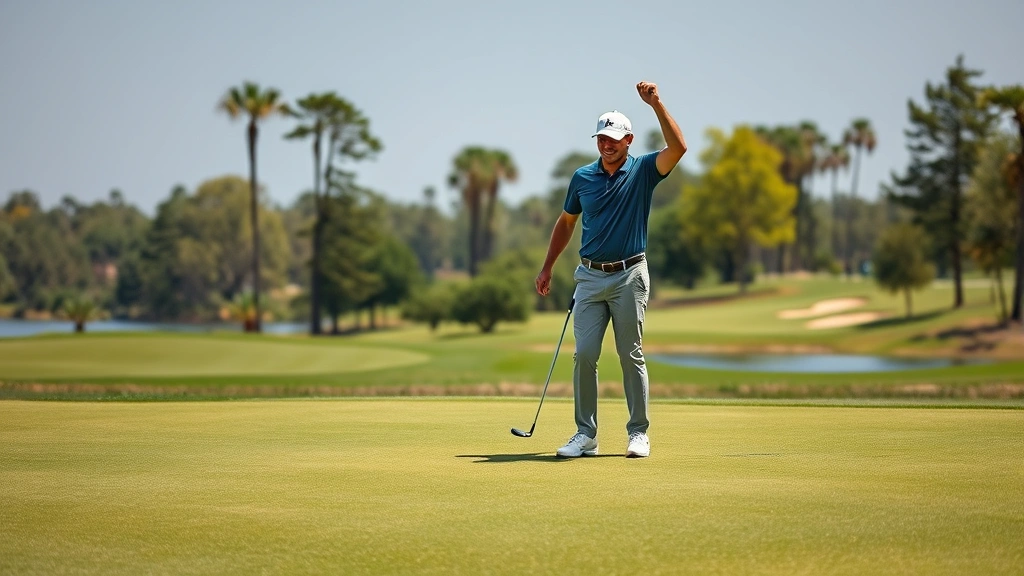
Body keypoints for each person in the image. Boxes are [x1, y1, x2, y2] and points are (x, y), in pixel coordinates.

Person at [535, 81, 687, 458]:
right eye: (602, 138)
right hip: (588, 277)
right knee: (584, 354)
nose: (607, 144)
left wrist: (656, 103)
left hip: (629, 275)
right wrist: (547, 267)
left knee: (629, 352)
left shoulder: (644, 171)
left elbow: (679, 148)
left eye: (615, 139)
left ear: (629, 140)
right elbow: (567, 222)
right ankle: (586, 434)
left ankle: (639, 433)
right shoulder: (582, 177)